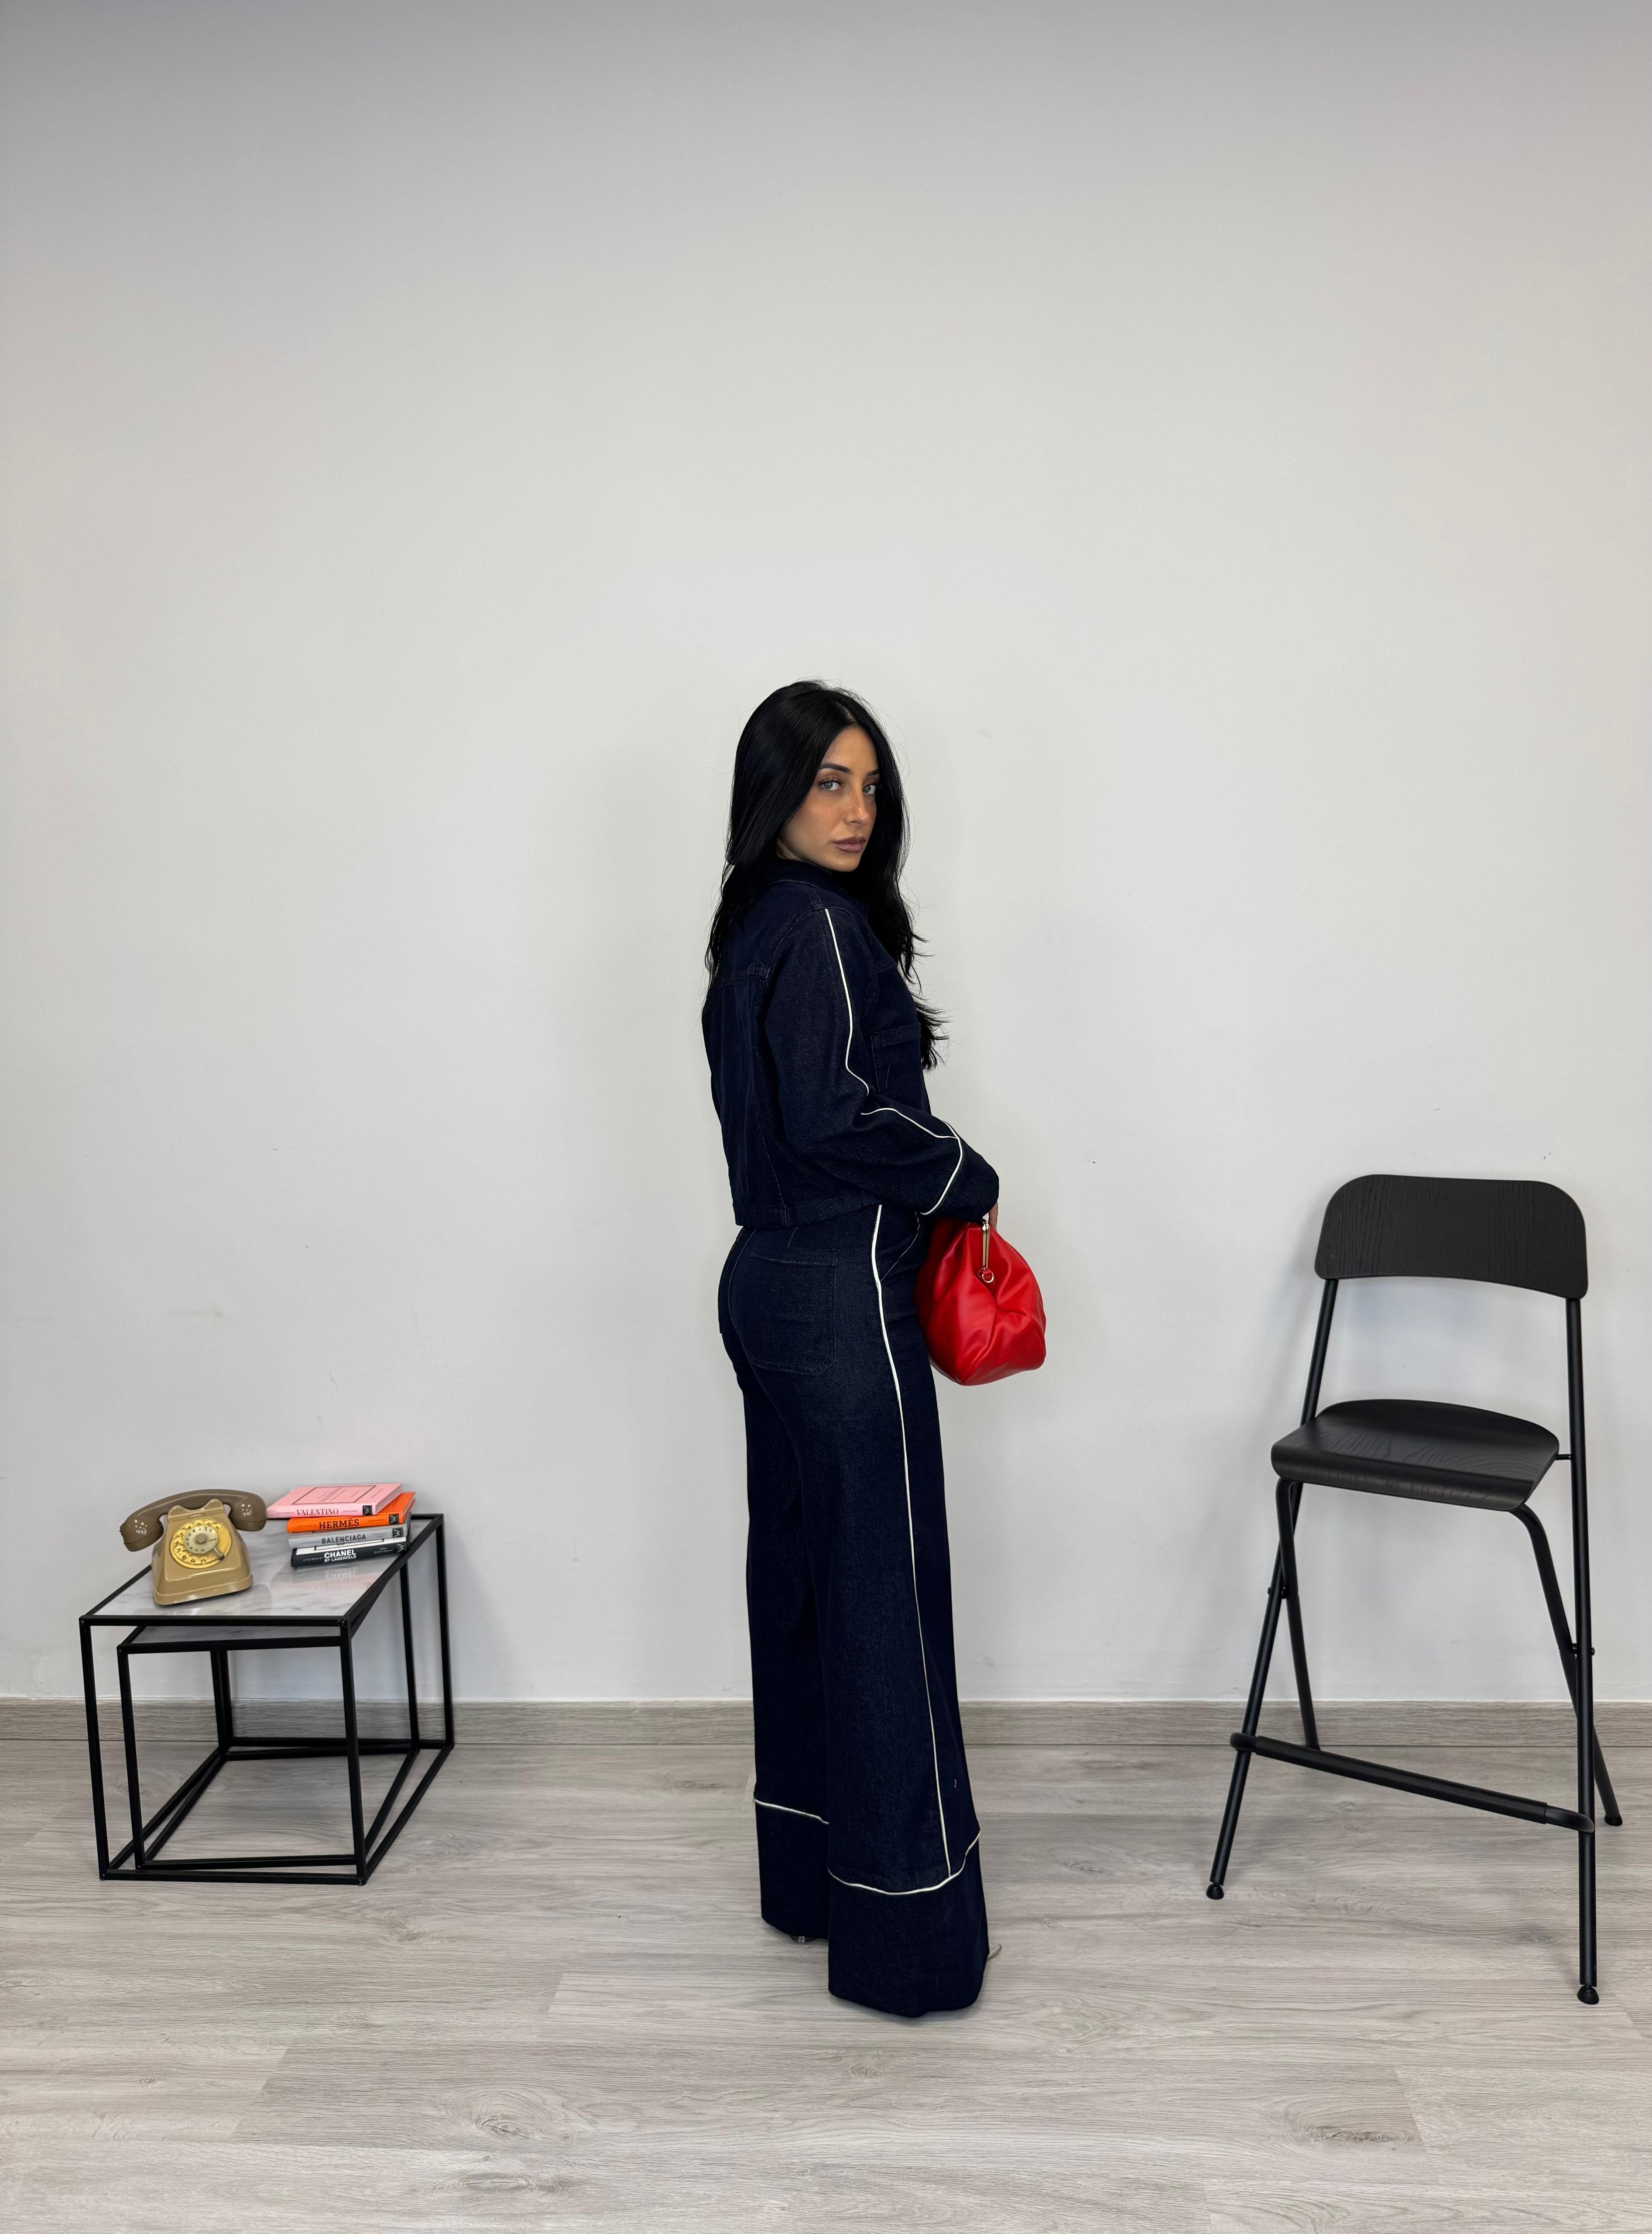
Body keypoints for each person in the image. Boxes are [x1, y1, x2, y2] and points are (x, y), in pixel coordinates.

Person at [702, 680, 1001, 2017]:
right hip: (835, 1291)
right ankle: (906, 1946)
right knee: (882, 1601)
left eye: (869, 786)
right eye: (828, 781)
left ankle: (813, 1887)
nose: (856, 809)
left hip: (764, 1284)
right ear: (773, 789)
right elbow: (830, 1114)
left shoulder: (754, 928)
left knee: (806, 1590)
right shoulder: (819, 927)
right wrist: (962, 1174)